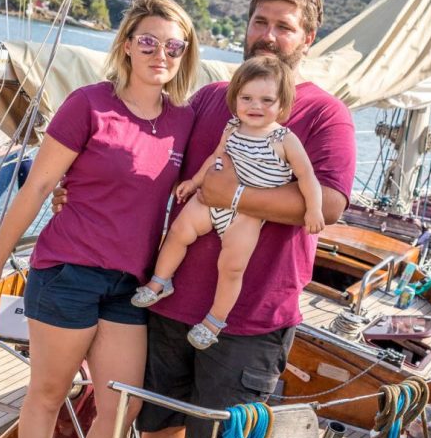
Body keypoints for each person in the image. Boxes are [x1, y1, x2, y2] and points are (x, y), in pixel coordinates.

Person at [124, 0, 357, 438]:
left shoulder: (325, 117)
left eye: (284, 26)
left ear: (307, 36)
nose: (268, 36)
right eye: (261, 21)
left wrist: (231, 196)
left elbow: (324, 208)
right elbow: (155, 160)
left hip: (251, 316)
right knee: (160, 418)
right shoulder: (211, 100)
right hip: (175, 298)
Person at [0, 0, 199, 438]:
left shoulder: (185, 122)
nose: (159, 54)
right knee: (48, 391)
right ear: (126, 45)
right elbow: (41, 186)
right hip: (68, 270)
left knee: (123, 402)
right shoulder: (89, 105)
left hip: (129, 284)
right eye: (148, 42)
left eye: (173, 46)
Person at [131, 54, 324, 350]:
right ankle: (159, 282)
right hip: (209, 202)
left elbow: (307, 176)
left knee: (232, 267)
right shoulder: (232, 128)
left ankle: (214, 321)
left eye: (266, 100)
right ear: (234, 100)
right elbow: (215, 158)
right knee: (179, 233)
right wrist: (194, 182)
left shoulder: (284, 140)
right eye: (246, 98)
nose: (255, 106)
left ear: (282, 105)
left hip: (246, 214)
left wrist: (313, 209)